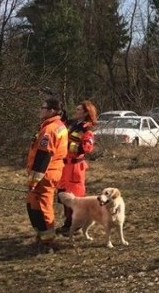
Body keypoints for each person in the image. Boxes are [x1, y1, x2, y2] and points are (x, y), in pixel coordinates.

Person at [26, 97, 68, 252]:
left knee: (43, 208)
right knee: (33, 206)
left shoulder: (50, 130)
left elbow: (43, 156)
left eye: (42, 107)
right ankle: (42, 238)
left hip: (45, 174)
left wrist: (33, 181)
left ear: (51, 111)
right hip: (48, 173)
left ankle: (48, 243)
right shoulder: (54, 126)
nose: (40, 110)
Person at [56, 100, 98, 235]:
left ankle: (76, 227)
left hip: (75, 167)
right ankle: (67, 224)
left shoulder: (87, 128)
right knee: (63, 196)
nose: (76, 111)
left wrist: (67, 146)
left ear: (86, 112)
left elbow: (87, 147)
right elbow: (64, 121)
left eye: (79, 110)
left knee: (75, 198)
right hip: (65, 166)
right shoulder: (74, 124)